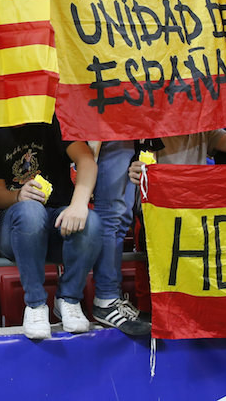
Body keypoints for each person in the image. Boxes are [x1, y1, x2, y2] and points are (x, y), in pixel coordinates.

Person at [0, 118, 102, 340]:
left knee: (92, 221)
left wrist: (79, 204)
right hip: (15, 227)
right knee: (30, 211)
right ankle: (35, 305)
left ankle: (69, 299)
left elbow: (87, 160)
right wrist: (17, 196)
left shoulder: (52, 121)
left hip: (57, 223)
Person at [90, 141, 151, 336]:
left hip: (132, 132)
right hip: (112, 128)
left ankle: (112, 299)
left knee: (122, 217)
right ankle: (106, 298)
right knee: (111, 215)